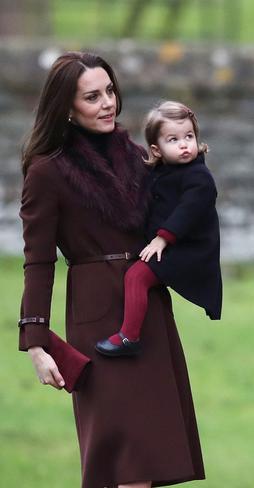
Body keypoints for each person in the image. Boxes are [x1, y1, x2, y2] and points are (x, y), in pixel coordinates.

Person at [19, 52, 205, 487]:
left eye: (110, 91)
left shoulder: (141, 157)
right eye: (92, 96)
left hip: (148, 314)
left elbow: (186, 206)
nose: (107, 103)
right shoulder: (47, 172)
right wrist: (36, 343)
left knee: (151, 462)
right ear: (66, 107)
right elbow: (38, 260)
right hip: (98, 323)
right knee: (126, 461)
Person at [95, 100, 222, 357]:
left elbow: (188, 211)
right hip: (173, 245)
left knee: (137, 277)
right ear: (157, 149)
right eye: (173, 139)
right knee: (135, 274)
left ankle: (129, 337)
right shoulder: (162, 172)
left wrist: (162, 239)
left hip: (189, 250)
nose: (184, 144)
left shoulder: (199, 177)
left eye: (189, 136)